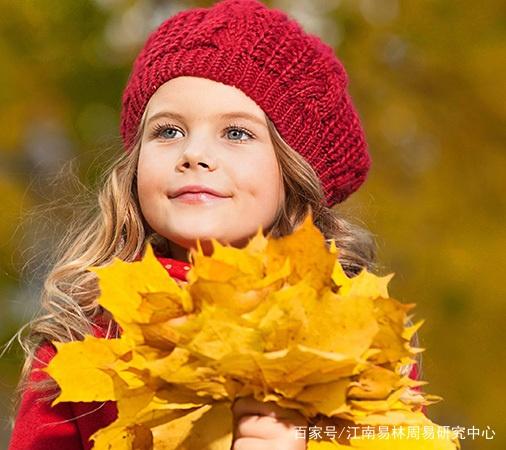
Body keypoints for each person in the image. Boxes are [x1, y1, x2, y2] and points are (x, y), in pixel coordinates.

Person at [7, 0, 421, 448]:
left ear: (293, 175)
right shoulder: (85, 340)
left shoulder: (353, 337)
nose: (193, 154)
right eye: (168, 131)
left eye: (236, 133)